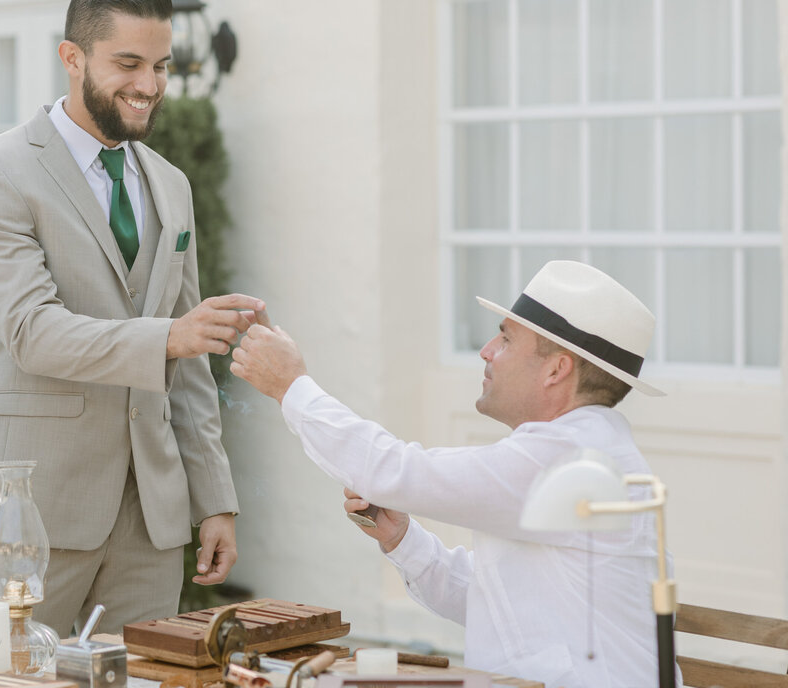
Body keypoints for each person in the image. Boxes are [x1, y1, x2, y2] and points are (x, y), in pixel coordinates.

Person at [0, 0, 261, 636]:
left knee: (144, 679)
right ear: (73, 58)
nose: (149, 84)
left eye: (160, 66)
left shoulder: (170, 185)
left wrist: (215, 500)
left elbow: (192, 364)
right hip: (36, 506)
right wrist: (168, 338)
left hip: (151, 519)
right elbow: (32, 332)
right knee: (15, 681)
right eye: (128, 64)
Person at [232, 260, 681, 688]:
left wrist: (291, 386)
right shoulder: (578, 448)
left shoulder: (573, 458)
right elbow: (496, 599)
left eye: (505, 340)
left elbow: (394, 470)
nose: (486, 351)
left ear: (556, 369)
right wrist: (403, 541)